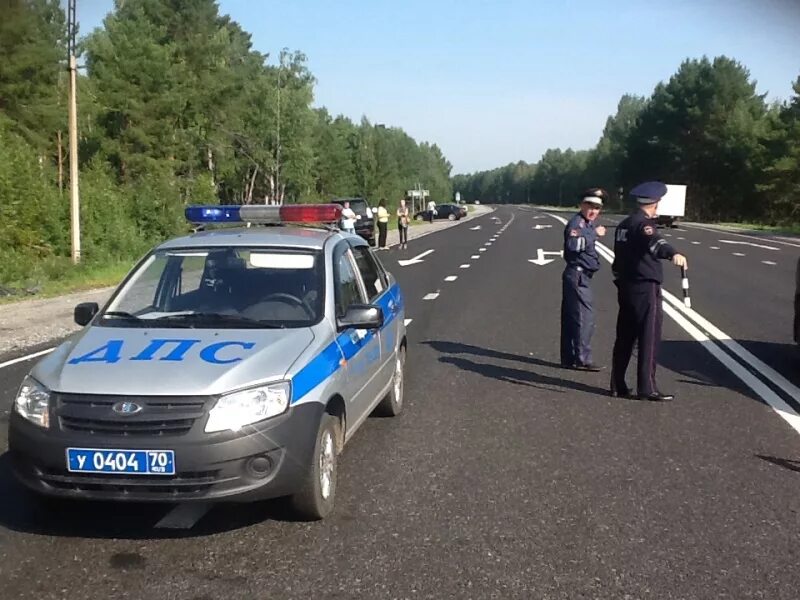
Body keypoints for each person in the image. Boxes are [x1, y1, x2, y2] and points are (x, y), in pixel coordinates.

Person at [610, 181, 688, 402]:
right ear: (655, 203)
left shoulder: (624, 224)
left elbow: (619, 258)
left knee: (624, 336)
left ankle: (617, 384)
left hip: (625, 286)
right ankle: (647, 387)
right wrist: (673, 254)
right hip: (645, 287)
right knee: (648, 336)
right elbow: (656, 243)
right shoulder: (644, 225)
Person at [560, 188, 608, 371]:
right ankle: (582, 358)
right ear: (582, 205)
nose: (594, 211)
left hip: (579, 276)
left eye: (597, 207)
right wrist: (594, 234)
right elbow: (574, 245)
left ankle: (569, 357)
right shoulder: (578, 224)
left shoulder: (586, 223)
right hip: (578, 276)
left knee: (572, 318)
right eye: (590, 206)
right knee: (584, 318)